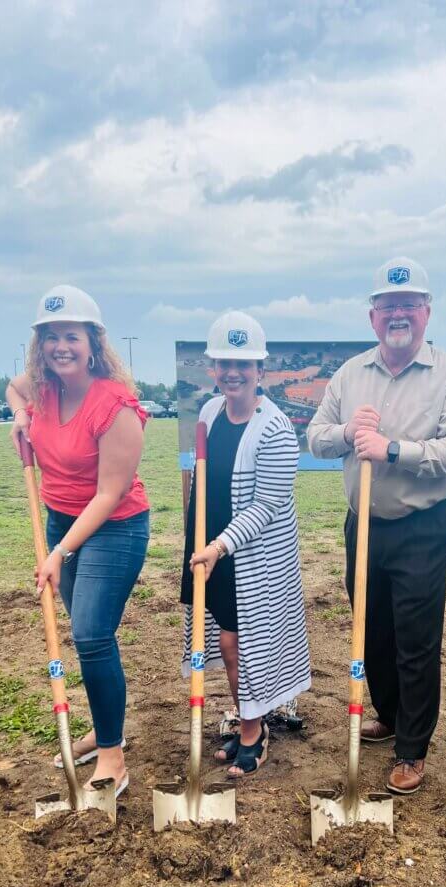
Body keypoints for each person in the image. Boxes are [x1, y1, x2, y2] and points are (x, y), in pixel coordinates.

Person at [307, 257, 446, 795]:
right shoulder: (350, 374)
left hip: (422, 526)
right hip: (363, 524)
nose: (398, 314)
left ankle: (413, 746)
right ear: (372, 317)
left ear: (426, 313)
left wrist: (394, 449)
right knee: (371, 626)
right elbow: (315, 437)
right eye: (388, 307)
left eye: (408, 305)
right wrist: (346, 435)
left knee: (415, 636)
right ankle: (387, 711)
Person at [6, 285, 150, 796]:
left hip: (114, 526)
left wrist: (60, 552)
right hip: (59, 518)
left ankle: (112, 754)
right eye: (51, 337)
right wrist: (22, 414)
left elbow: (110, 494)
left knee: (90, 634)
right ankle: (104, 726)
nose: (60, 346)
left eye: (71, 336)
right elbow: (13, 387)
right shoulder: (42, 386)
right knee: (87, 636)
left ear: (94, 342)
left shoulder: (117, 405)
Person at [181, 312, 310, 777]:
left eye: (244, 363)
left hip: (252, 559)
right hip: (212, 553)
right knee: (225, 641)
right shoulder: (210, 413)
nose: (233, 372)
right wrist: (199, 543)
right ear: (213, 367)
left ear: (261, 369)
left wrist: (219, 546)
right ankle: (248, 719)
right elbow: (202, 481)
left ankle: (253, 730)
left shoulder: (274, 428)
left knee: (241, 646)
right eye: (224, 363)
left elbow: (268, 505)